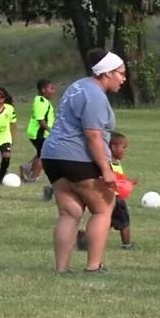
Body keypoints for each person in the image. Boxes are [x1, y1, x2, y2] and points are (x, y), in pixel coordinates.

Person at [41, 49, 127, 273]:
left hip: (52, 156)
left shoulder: (78, 86)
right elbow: (93, 136)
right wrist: (107, 170)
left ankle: (61, 269)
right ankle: (94, 266)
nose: (124, 79)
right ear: (107, 73)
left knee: (70, 212)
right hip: (76, 156)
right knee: (103, 208)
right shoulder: (96, 96)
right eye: (121, 73)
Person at [76, 132, 138, 251]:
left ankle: (86, 239)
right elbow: (117, 184)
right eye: (123, 147)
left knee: (105, 223)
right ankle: (127, 244)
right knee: (124, 222)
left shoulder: (109, 163)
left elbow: (119, 181)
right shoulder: (110, 165)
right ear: (113, 147)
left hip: (106, 198)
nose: (124, 151)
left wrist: (128, 182)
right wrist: (128, 184)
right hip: (116, 199)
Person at [21, 79, 56, 183]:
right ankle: (33, 177)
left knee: (42, 153)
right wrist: (51, 132)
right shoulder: (40, 102)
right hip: (38, 133)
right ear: (43, 90)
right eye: (51, 88)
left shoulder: (44, 101)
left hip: (40, 133)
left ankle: (26, 167)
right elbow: (41, 120)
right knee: (44, 155)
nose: (53, 91)